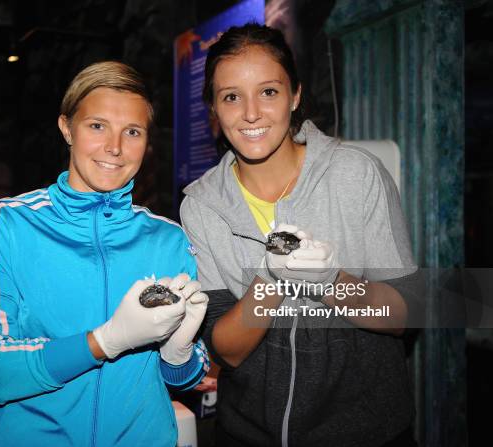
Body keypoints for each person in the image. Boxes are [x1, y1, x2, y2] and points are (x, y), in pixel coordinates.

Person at [180, 24, 422, 447]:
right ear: (214, 110)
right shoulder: (201, 205)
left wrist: (331, 282)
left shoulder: (356, 173)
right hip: (249, 434)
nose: (251, 112)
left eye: (269, 92)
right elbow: (228, 350)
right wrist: (270, 281)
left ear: (295, 96)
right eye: (231, 96)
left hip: (367, 433)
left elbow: (402, 316)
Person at [0, 61, 209, 447]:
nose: (115, 148)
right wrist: (104, 342)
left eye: (132, 131)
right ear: (67, 128)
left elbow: (185, 378)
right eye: (97, 126)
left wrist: (178, 352)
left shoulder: (167, 238)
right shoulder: (5, 224)